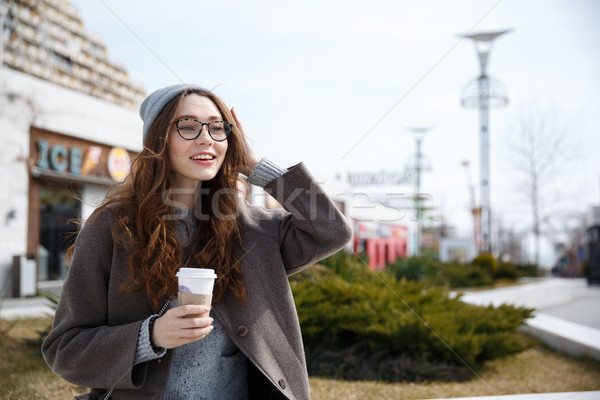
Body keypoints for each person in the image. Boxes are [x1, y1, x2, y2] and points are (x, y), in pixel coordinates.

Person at [42, 84, 353, 400]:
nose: (206, 138)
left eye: (218, 128)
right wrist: (151, 336)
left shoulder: (252, 228)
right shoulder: (112, 226)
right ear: (159, 141)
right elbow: (64, 350)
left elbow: (330, 230)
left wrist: (254, 165)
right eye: (188, 126)